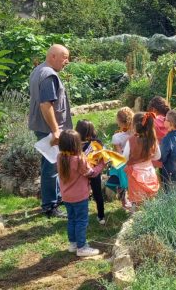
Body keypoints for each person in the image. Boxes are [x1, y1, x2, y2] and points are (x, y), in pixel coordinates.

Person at [28, 44, 72, 218]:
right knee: (51, 166)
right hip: (49, 129)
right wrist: (55, 131)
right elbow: (46, 105)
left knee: (53, 163)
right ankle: (50, 206)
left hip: (42, 126)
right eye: (64, 57)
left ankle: (56, 198)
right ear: (53, 56)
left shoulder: (38, 70)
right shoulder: (49, 75)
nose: (67, 61)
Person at [57, 129, 104, 257]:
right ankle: (82, 247)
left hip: (66, 196)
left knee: (71, 219)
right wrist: (101, 164)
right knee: (81, 221)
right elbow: (91, 173)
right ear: (76, 144)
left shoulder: (60, 157)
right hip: (79, 197)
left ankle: (73, 244)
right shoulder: (78, 159)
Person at [123, 112, 161, 208]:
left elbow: (124, 158)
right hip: (150, 172)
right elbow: (157, 157)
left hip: (136, 174)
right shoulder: (152, 139)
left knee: (137, 202)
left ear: (135, 125)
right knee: (151, 200)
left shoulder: (131, 141)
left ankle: (136, 220)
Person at [75, 120, 106, 224]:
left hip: (80, 174)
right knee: (98, 194)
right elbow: (104, 156)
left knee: (81, 196)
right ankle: (101, 216)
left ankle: (80, 217)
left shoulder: (74, 145)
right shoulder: (97, 143)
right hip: (94, 173)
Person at [109, 107, 133, 209]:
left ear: (119, 121)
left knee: (120, 181)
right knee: (131, 182)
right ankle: (133, 200)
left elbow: (119, 154)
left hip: (122, 162)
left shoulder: (117, 137)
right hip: (133, 160)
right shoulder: (134, 133)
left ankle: (124, 201)